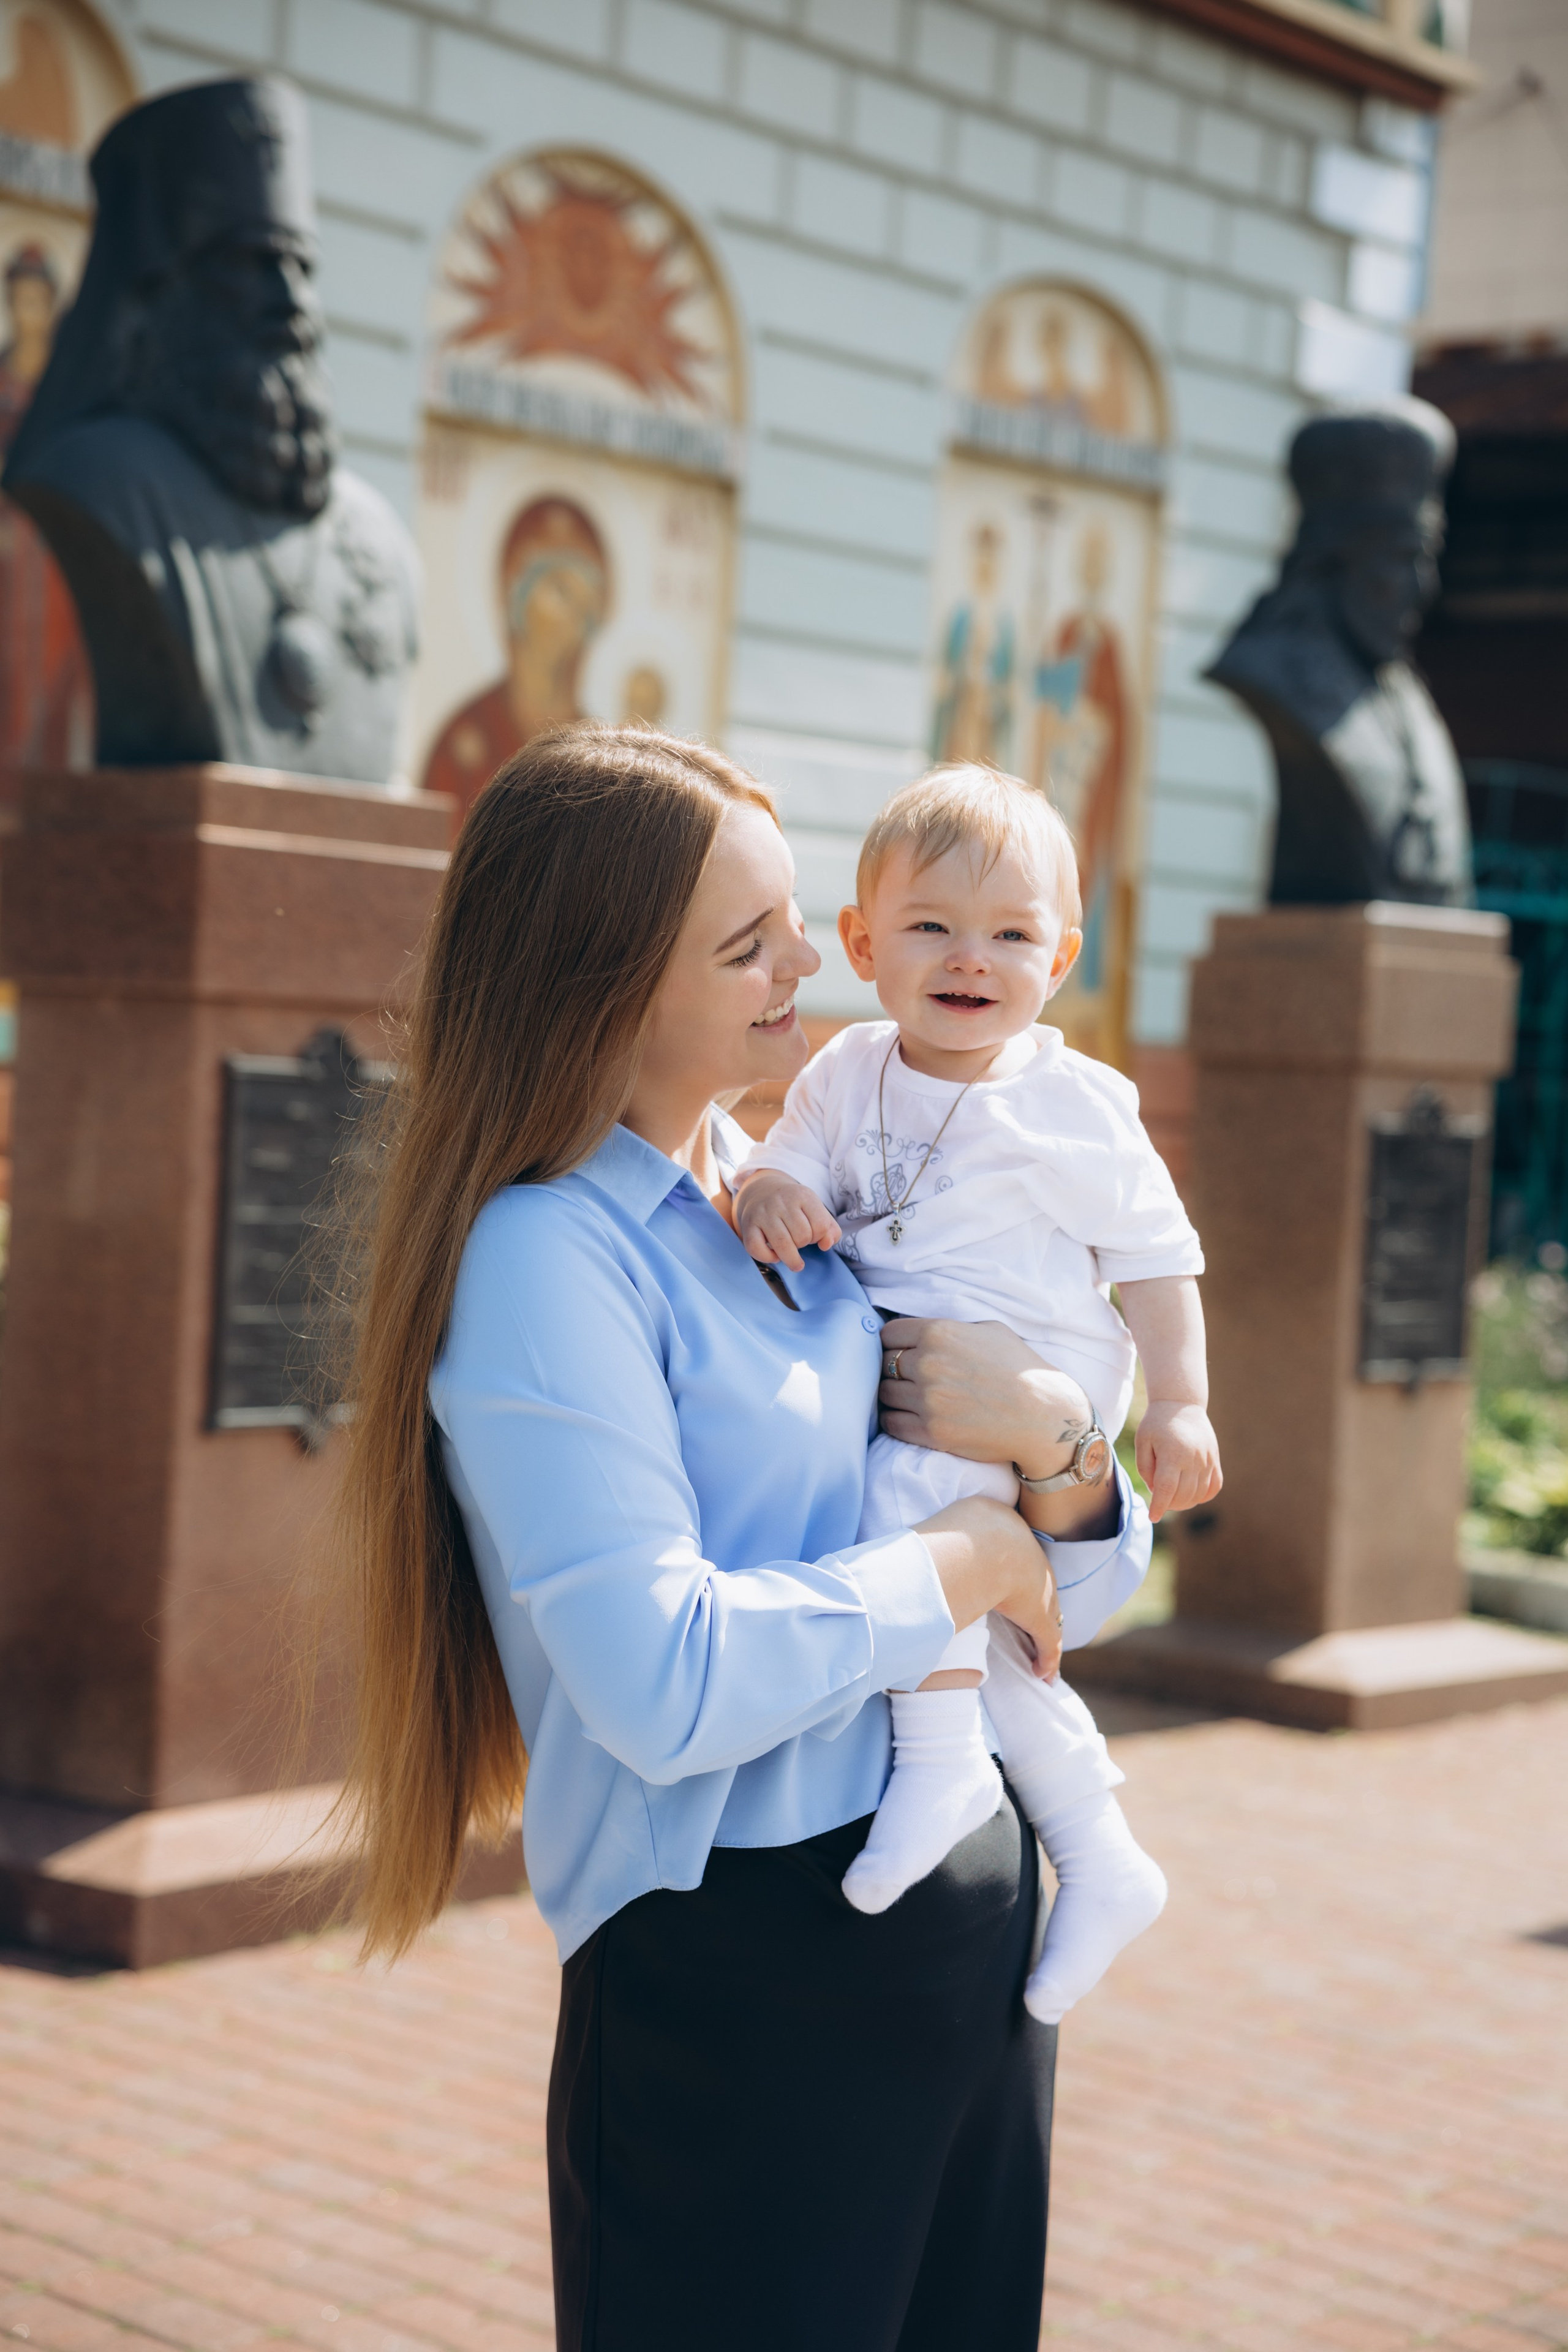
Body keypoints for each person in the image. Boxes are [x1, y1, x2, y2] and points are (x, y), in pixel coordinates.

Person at [334, 723, 1158, 2351]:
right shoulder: (549, 1259)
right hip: (746, 1983)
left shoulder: (797, 1189)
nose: (816, 959)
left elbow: (1086, 1592)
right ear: (605, 985)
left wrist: (1063, 1449)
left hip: (970, 1934)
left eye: (796, 915)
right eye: (751, 940)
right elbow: (663, 1684)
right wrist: (971, 1565)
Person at [734, 763, 1222, 2022]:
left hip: (1029, 1375)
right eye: (931, 926)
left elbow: (1159, 1260)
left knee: (922, 1516)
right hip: (910, 1380)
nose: (972, 958)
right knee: (1001, 1635)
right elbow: (783, 1157)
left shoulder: (1077, 1105)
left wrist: (1176, 1403)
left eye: (1011, 934)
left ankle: (943, 1769)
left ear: (1059, 954)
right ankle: (1101, 1853)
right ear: (859, 942)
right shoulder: (845, 1072)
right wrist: (769, 1190)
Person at [420, 494, 610, 820]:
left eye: (587, 598)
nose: (575, 615)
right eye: (560, 590)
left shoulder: (602, 756)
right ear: (515, 593)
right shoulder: (464, 742)